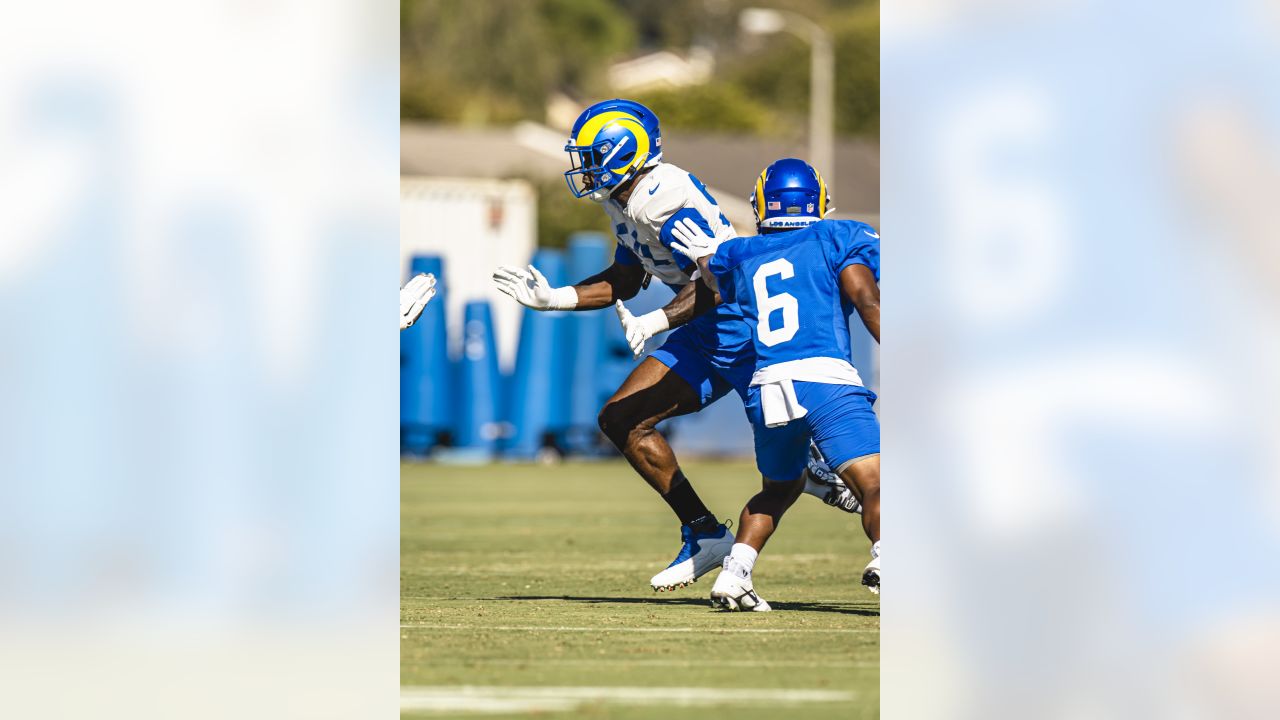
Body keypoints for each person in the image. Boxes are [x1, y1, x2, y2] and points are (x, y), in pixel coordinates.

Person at [492, 100, 854, 592]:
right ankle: (704, 532)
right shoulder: (623, 197)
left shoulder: (662, 195)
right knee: (621, 418)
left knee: (822, 462)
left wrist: (658, 319)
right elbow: (625, 277)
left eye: (592, 155)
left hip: (745, 329)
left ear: (625, 152)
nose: (583, 167)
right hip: (705, 329)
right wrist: (556, 298)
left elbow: (718, 279)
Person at [667, 158, 881, 610]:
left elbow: (714, 275)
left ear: (763, 204)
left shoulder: (740, 252)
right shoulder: (840, 236)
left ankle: (734, 574)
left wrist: (706, 257)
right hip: (824, 378)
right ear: (818, 199)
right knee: (876, 483)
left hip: (767, 387)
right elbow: (865, 298)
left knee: (779, 488)